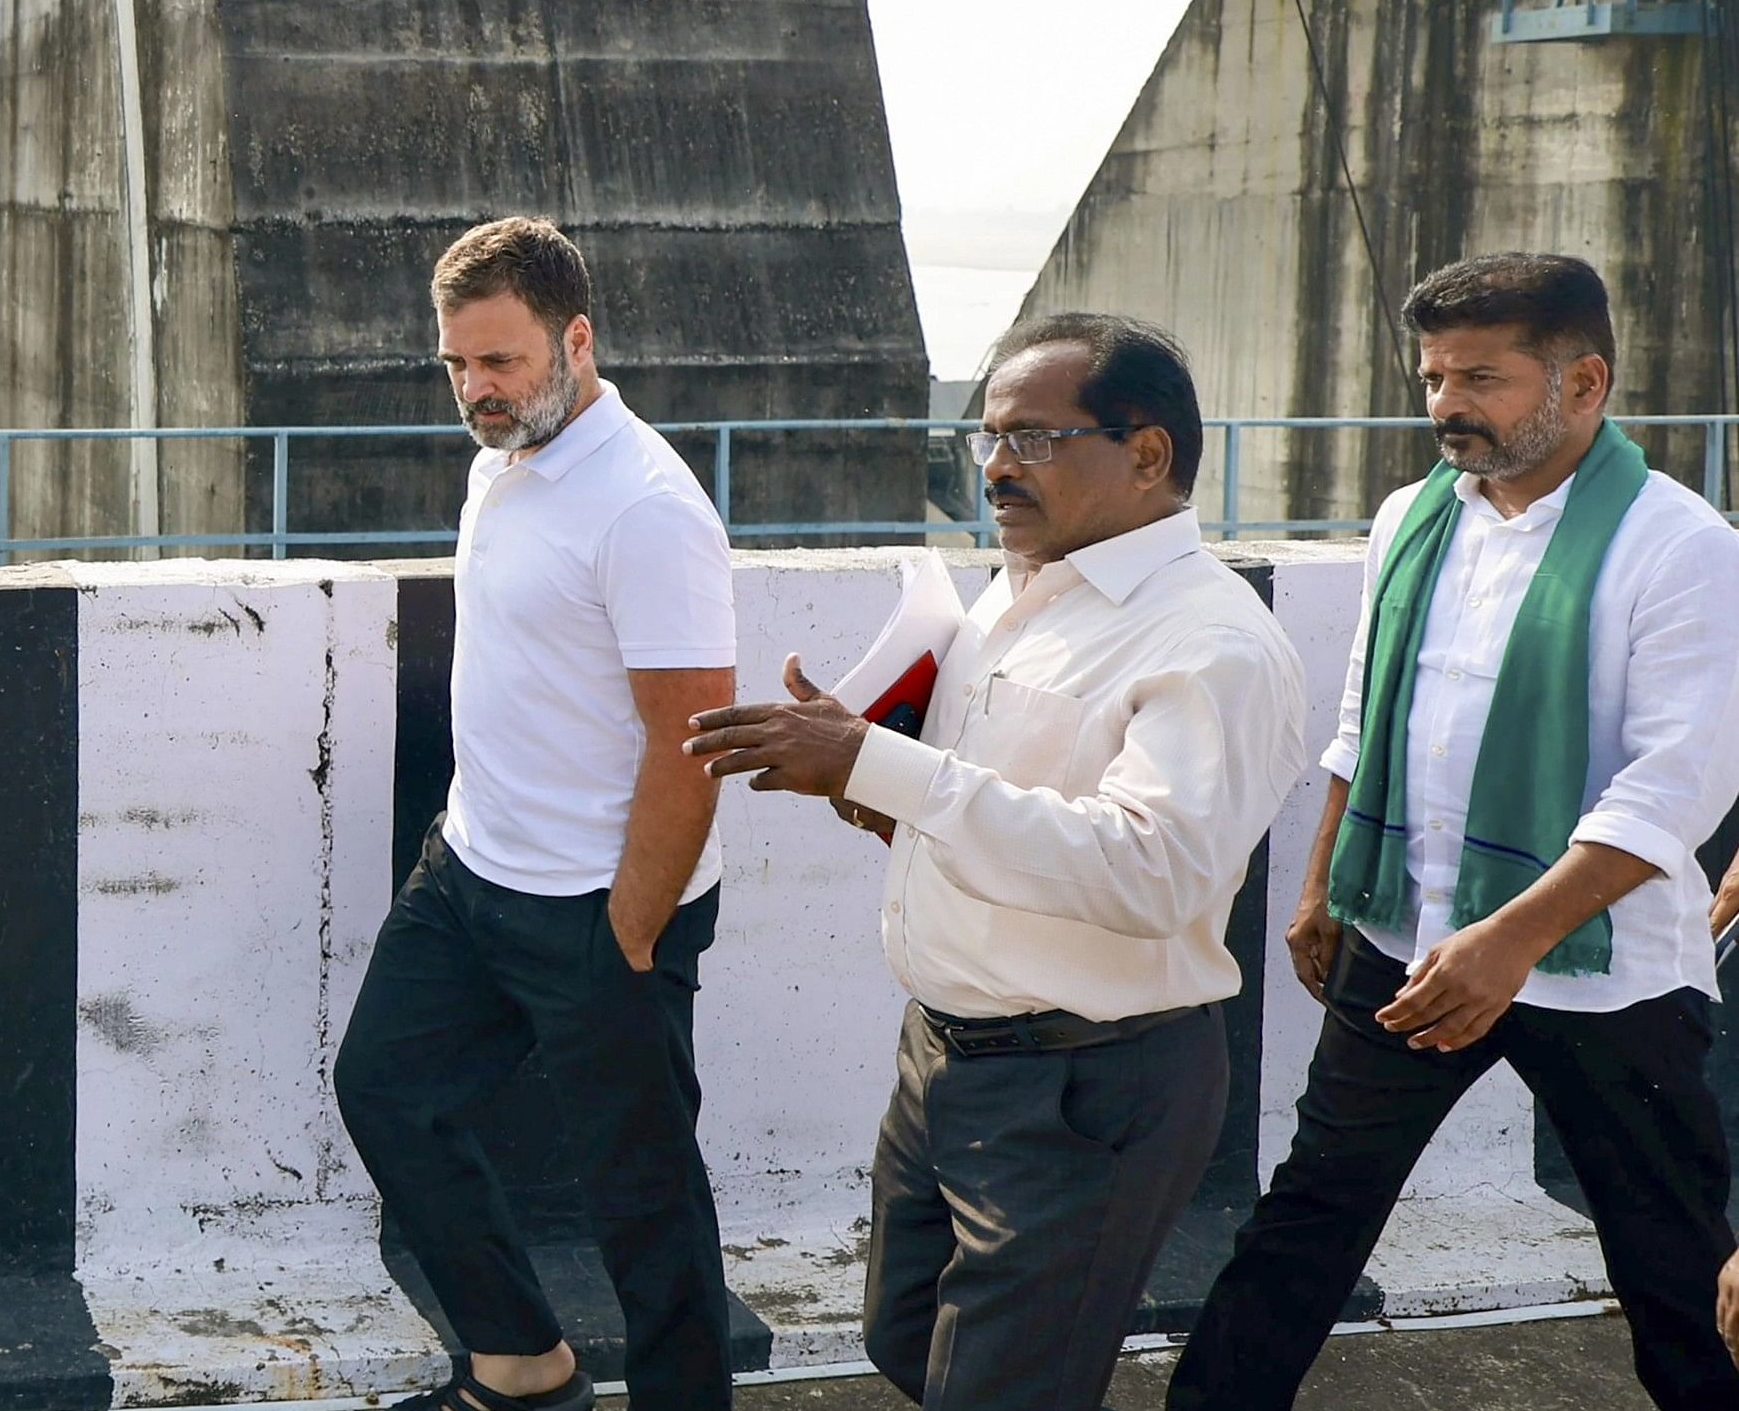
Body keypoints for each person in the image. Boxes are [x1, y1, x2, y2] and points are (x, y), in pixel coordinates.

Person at [684, 313, 1307, 1409]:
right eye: (986, 437)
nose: (994, 467)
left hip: (1085, 1083)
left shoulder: (1213, 643)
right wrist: (868, 780)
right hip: (945, 1058)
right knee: (903, 1336)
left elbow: (1155, 872)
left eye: (1033, 438)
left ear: (1148, 452)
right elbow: (999, 807)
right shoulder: (1020, 587)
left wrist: (880, 762)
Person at [1169, 254, 1739, 1410]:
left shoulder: (1682, 548)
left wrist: (1509, 942)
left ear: (1585, 383)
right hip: (1408, 937)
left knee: (1669, 1260)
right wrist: (1325, 879)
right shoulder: (1413, 518)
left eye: (1481, 376)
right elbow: (1367, 712)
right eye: (1432, 375)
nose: (1445, 406)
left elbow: (1672, 791)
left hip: (1603, 976)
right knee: (1309, 1217)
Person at [333, 216, 739, 1411]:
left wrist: (629, 930)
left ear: (574, 338)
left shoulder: (646, 506)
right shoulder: (499, 462)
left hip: (598, 910)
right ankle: (522, 1364)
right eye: (456, 364)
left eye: (499, 361)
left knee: (645, 1205)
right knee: (386, 1090)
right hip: (468, 876)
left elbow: (690, 744)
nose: (476, 390)